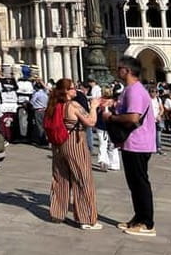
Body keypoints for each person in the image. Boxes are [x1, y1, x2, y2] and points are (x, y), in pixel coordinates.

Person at [102, 56, 157, 237]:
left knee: (140, 183)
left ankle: (147, 223)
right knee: (134, 183)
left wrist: (111, 118)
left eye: (119, 69)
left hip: (138, 143)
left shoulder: (135, 91)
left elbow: (133, 118)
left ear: (127, 70)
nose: (117, 71)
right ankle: (138, 218)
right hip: (132, 143)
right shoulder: (129, 90)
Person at [47, 78, 101, 230]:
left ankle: (57, 212)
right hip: (74, 143)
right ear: (65, 91)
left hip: (58, 144)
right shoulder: (73, 105)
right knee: (82, 178)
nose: (75, 90)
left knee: (60, 178)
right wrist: (94, 107)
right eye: (72, 88)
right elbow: (90, 122)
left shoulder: (54, 105)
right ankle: (86, 219)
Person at [95, 88, 120, 172]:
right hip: (105, 125)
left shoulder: (99, 102)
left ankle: (107, 162)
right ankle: (107, 162)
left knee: (105, 144)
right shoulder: (112, 102)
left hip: (106, 125)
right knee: (109, 144)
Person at [28, 81, 48, 145]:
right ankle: (45, 139)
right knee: (44, 125)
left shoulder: (37, 94)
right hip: (45, 110)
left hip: (38, 111)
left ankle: (42, 141)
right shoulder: (45, 93)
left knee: (39, 126)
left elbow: (32, 102)